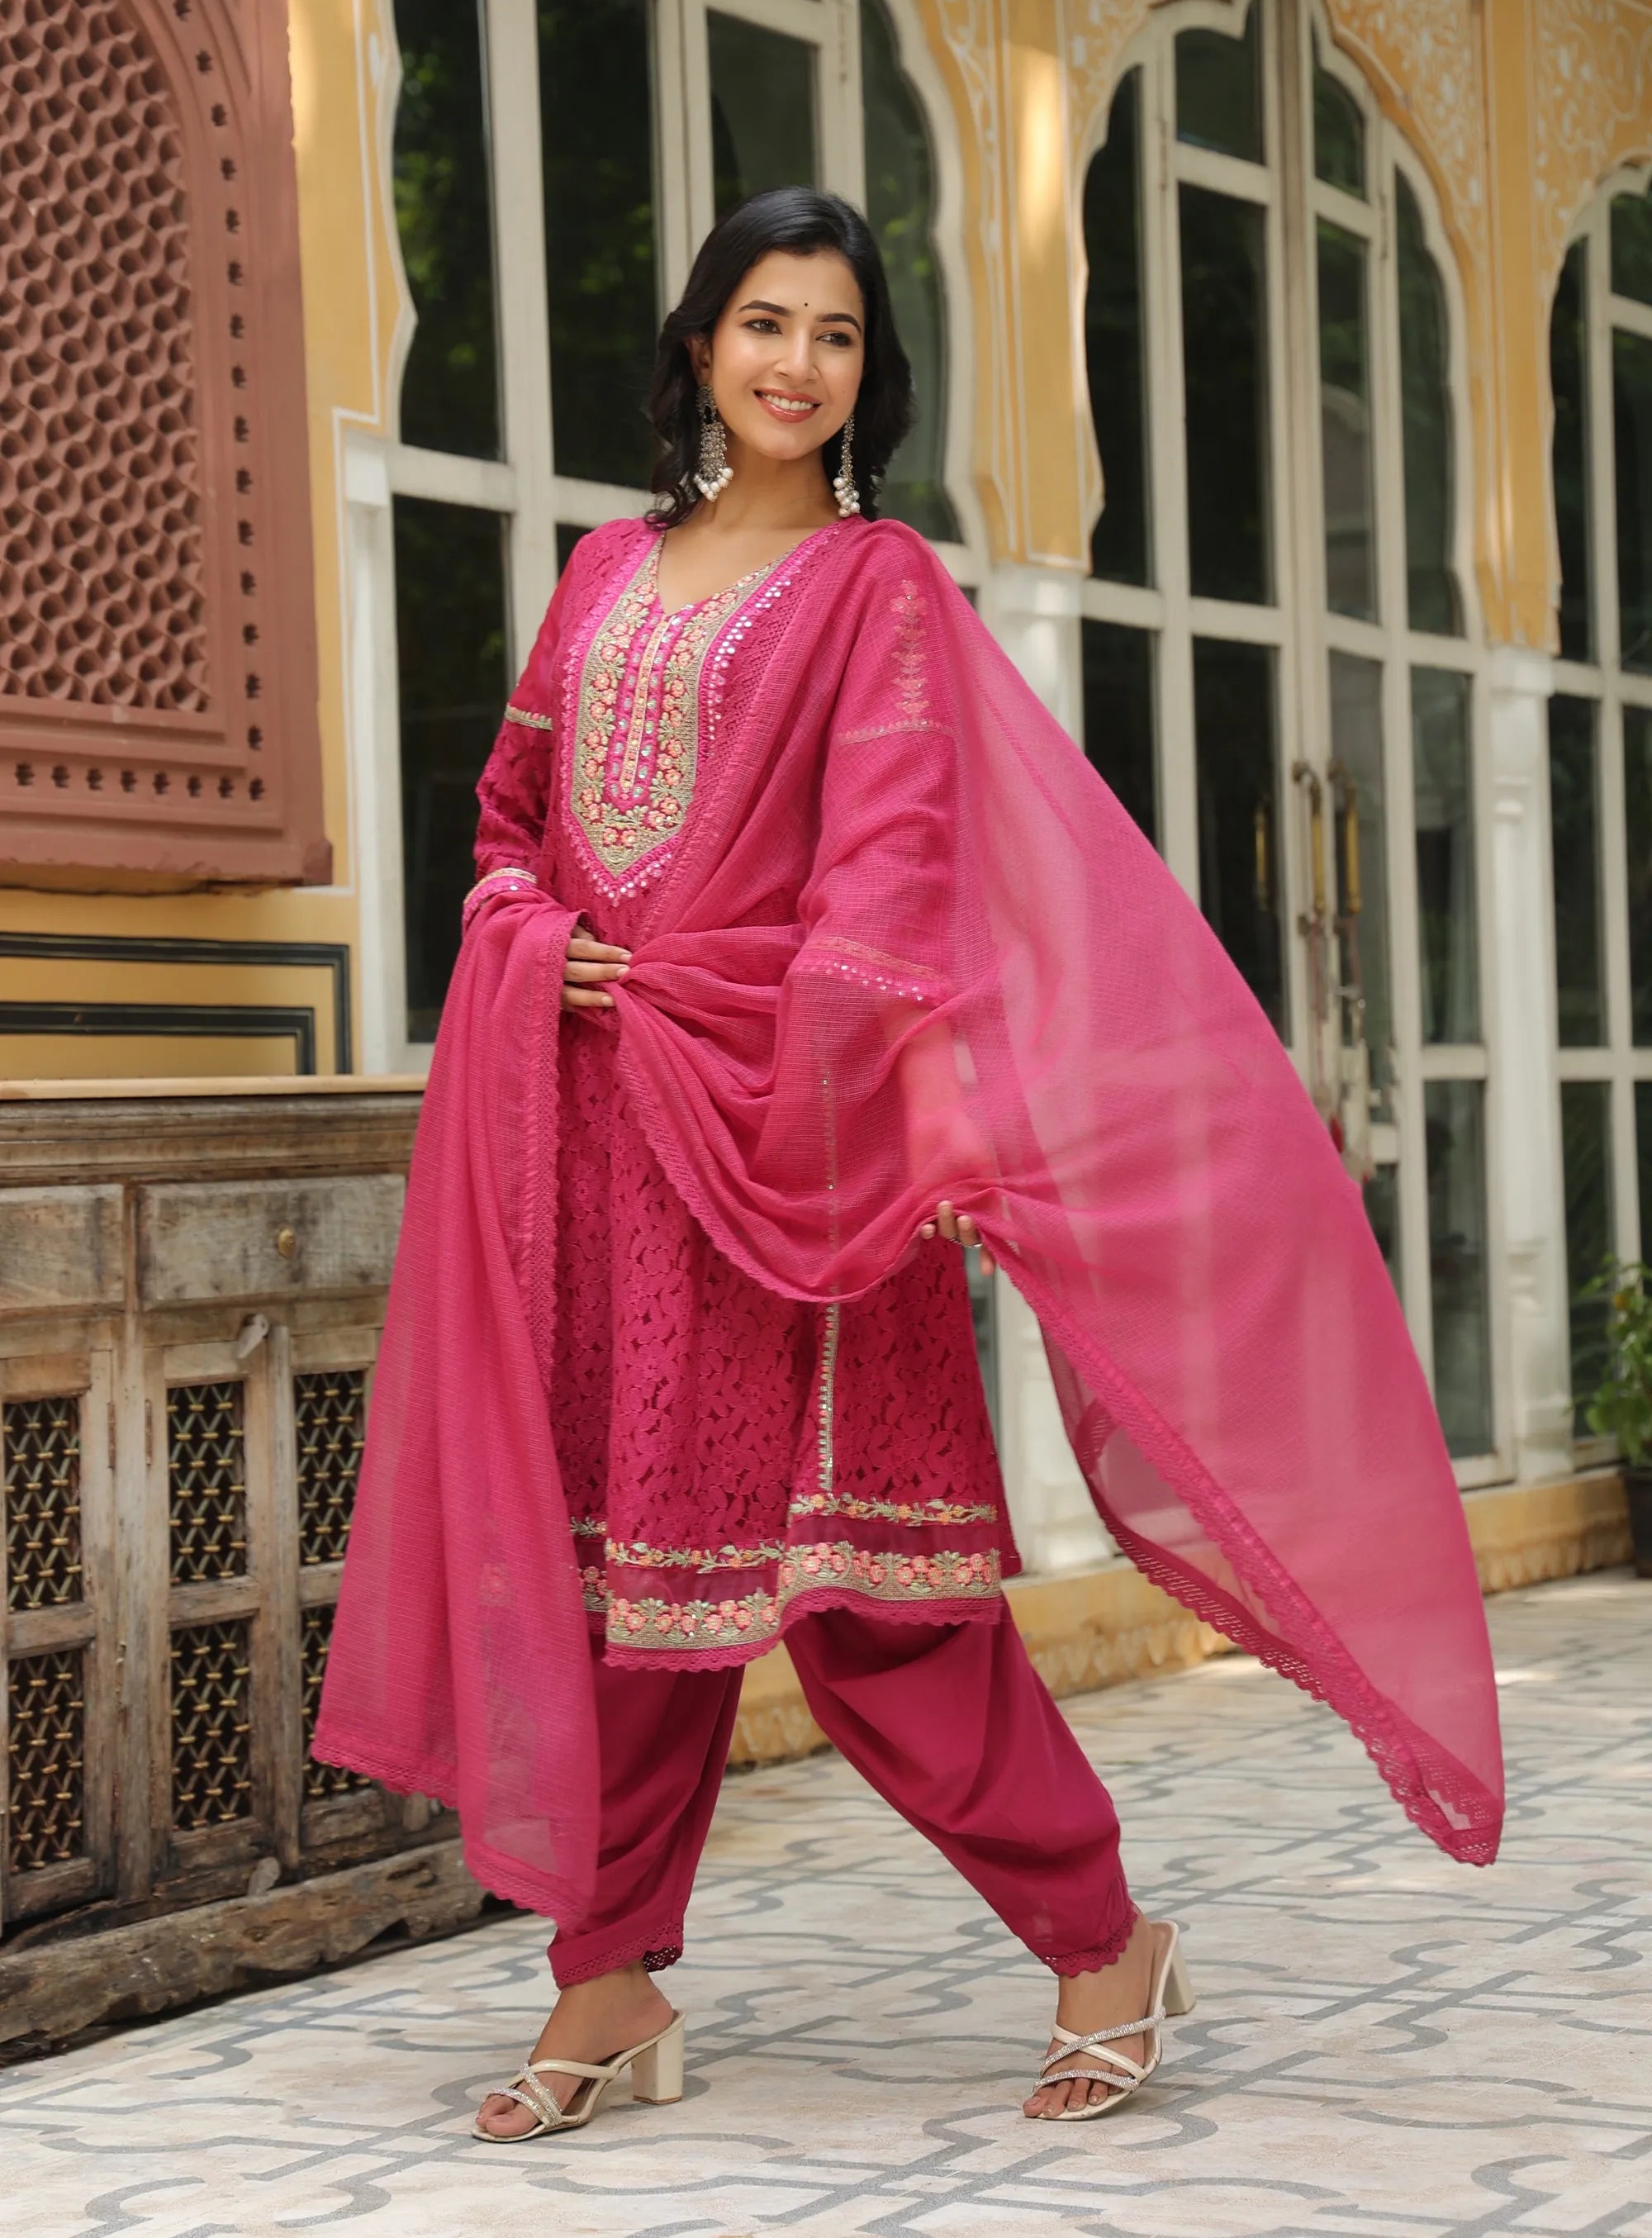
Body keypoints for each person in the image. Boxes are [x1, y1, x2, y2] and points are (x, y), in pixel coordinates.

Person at [316, 188, 1502, 2143]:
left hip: (802, 1145)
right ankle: (605, 1986)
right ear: (697, 342)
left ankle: (1100, 1938)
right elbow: (509, 816)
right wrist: (530, 927)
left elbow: (892, 865)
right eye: (763, 322)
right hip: (603, 1138)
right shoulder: (601, 571)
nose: (796, 361)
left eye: (837, 335)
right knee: (629, 1584)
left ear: (870, 377)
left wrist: (824, 1078)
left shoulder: (879, 587)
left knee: (876, 1602)